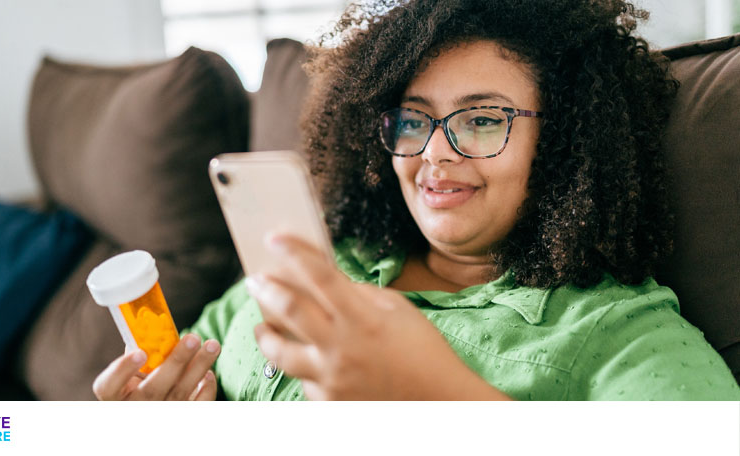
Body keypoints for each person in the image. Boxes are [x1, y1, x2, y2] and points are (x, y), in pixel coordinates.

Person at [93, 0, 740, 400]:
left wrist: (440, 401)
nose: (433, 153)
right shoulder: (329, 259)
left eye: (481, 119)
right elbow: (191, 355)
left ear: (567, 140)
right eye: (411, 120)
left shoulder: (616, 337)